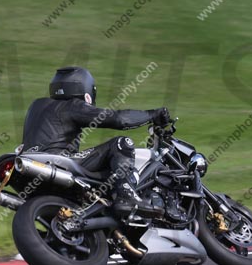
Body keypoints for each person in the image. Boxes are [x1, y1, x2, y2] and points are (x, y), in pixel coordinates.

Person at [21, 66, 171, 217]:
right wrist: (152, 115)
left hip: (28, 165)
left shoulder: (36, 105)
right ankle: (126, 196)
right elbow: (119, 119)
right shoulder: (71, 105)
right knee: (121, 143)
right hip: (56, 161)